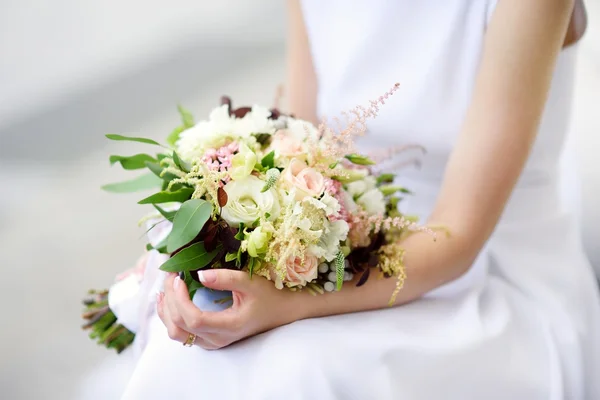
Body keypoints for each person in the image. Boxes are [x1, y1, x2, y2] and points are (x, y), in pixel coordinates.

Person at [114, 0, 600, 398]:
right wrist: (214, 236)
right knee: (196, 350)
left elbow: (459, 236)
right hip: (347, 236)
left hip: (490, 272)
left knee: (296, 368)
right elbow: (300, 141)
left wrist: (288, 302)